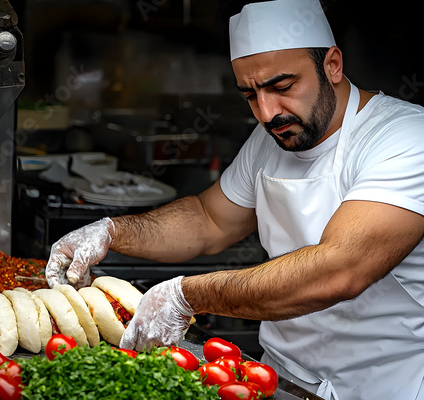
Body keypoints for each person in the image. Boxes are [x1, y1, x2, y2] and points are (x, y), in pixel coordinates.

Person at [45, 1, 424, 399]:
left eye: (282, 86)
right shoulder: (269, 138)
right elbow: (210, 218)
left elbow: (340, 269)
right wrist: (112, 231)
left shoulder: (404, 138)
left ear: (332, 64)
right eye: (250, 94)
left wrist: (186, 295)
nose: (267, 112)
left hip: (381, 385)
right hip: (276, 381)